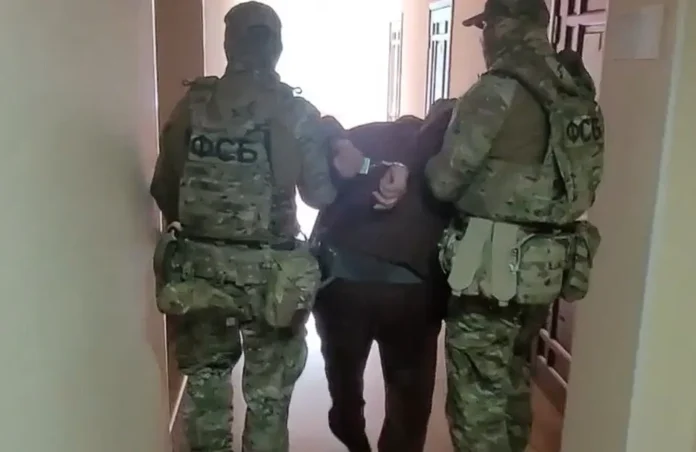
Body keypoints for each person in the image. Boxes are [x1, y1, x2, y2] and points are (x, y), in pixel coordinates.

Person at [149, 3, 387, 451]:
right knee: (269, 398)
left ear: (228, 45)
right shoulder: (295, 112)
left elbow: (164, 189)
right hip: (271, 279)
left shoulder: (193, 105)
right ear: (276, 48)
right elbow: (319, 194)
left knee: (206, 388)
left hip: (199, 272)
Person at [424, 0, 605, 450]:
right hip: (546, 267)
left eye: (486, 26)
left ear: (505, 26)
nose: (483, 37)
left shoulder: (497, 90)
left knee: (477, 395)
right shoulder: (573, 86)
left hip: (491, 270)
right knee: (514, 377)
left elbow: (443, 181)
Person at [311, 101, 456, 452]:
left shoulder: (360, 137)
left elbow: (319, 129)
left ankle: (348, 424)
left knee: (343, 378)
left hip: (341, 287)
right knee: (408, 399)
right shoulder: (443, 154)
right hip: (412, 292)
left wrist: (337, 140)